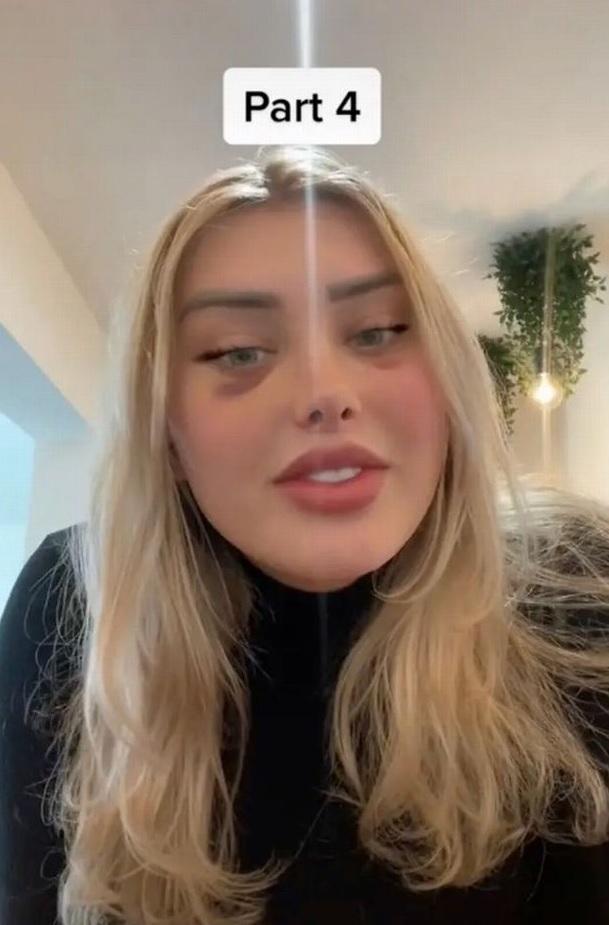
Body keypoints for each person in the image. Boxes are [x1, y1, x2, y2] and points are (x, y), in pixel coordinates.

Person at [2, 145, 609, 925]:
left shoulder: (576, 592)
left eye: (378, 331)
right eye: (238, 351)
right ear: (167, 436)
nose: (324, 392)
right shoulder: (74, 604)